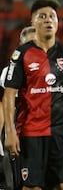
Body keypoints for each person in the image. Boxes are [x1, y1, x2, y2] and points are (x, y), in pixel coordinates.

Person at [2, 0, 63, 190]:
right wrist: (10, 132)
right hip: (32, 133)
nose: (48, 20)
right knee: (32, 188)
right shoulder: (20, 55)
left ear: (57, 22)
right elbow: (8, 96)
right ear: (33, 22)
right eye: (42, 16)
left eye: (52, 16)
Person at [0, 26, 36, 189]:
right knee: (15, 182)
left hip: (44, 132)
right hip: (18, 133)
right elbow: (3, 104)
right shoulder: (8, 72)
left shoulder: (53, 71)